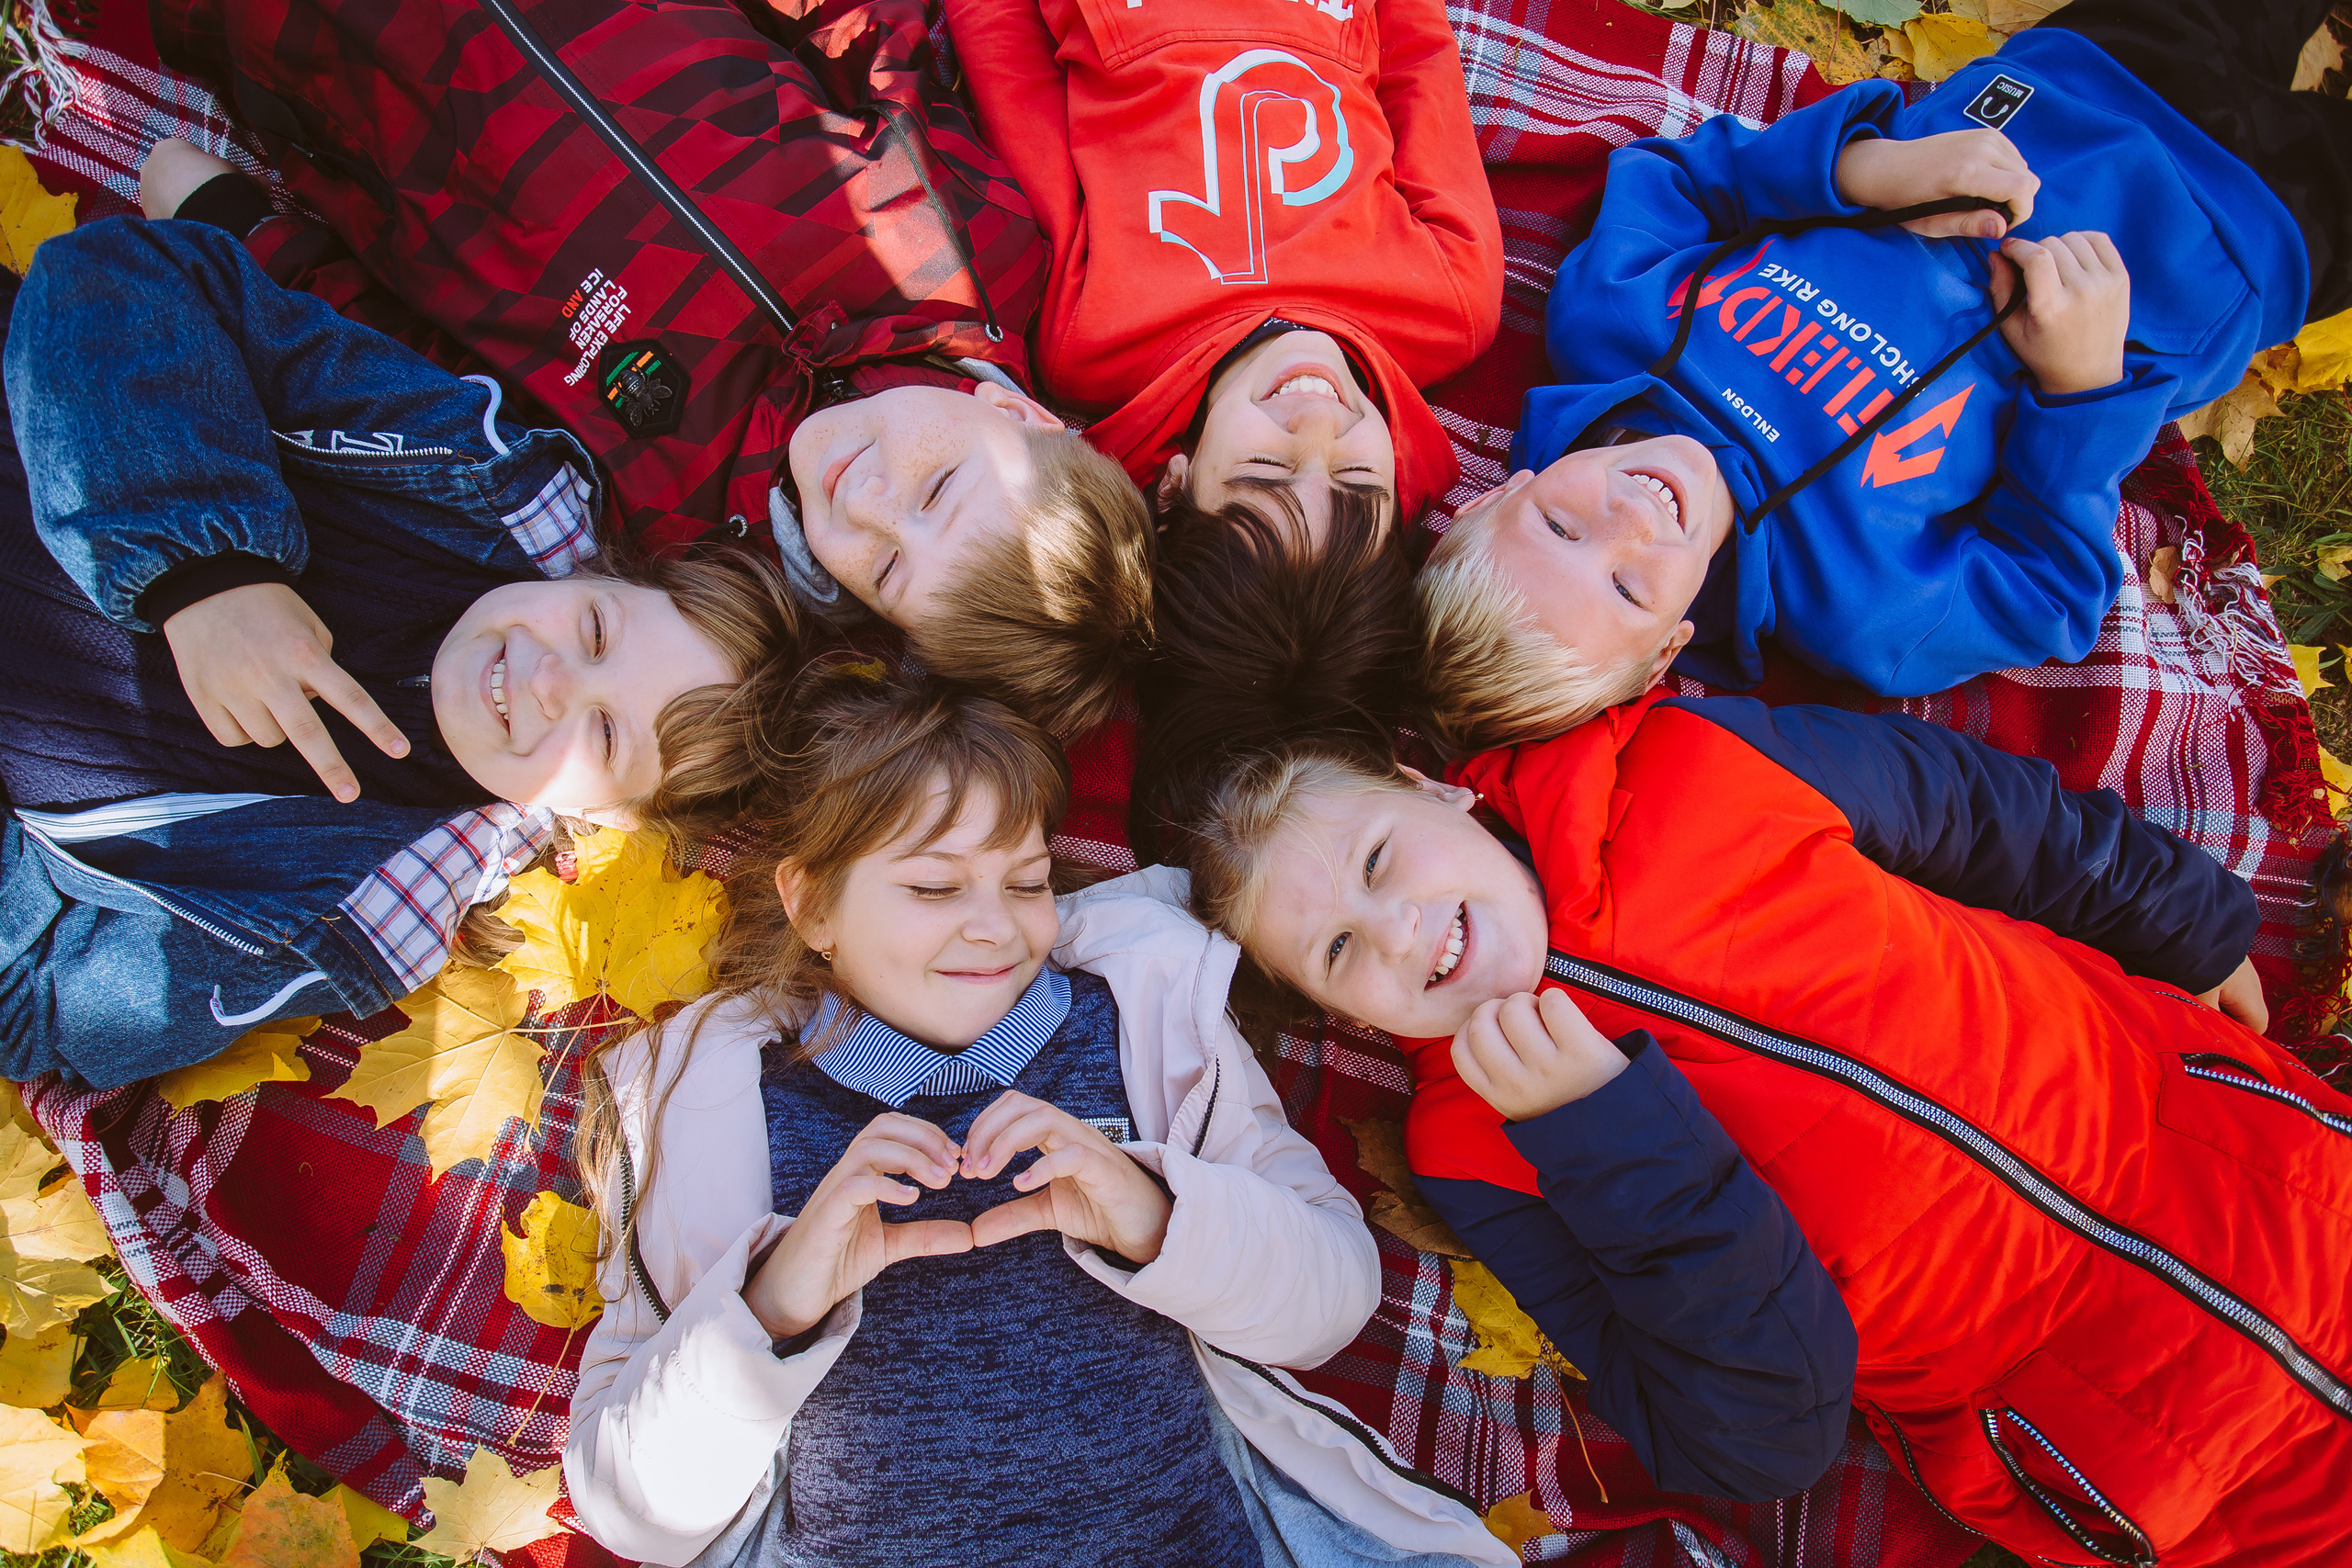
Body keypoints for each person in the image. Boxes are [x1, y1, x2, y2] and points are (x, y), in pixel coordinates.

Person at [1181, 693, 2352, 1564]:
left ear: (1438, 789)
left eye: (1381, 859)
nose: (1395, 933)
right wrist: (1611, 1141)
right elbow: (1753, 1442)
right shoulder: (1475, 1149)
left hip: (2258, 1159)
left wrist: (2188, 921)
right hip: (2139, 1438)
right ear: (1344, 1019)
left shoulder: (1681, 765)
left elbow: (1982, 812)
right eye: (1338, 954)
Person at [563, 666, 1518, 1568]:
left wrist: (1154, 1216)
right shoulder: (705, 1099)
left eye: (1026, 882)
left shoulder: (1143, 1017)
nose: (995, 924)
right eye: (935, 887)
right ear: (812, 904)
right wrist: (772, 1303)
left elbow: (1333, 1302)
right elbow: (630, 1508)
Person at [142, 0, 1153, 741]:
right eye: (939, 487)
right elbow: (872, 44)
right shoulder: (979, 252)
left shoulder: (678, 518)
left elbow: (433, 379)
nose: (873, 501)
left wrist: (240, 231)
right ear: (1022, 418)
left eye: (886, 568)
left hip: (335, 53)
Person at [1414, 0, 2351, 752]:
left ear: (1510, 488)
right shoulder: (1865, 613)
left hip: (2074, 85)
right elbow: (2047, 592)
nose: (1627, 523)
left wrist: (1866, 171)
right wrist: (2080, 385)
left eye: (1560, 525)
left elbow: (1686, 180)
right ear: (1668, 650)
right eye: (1625, 589)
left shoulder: (1606, 327)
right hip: (2218, 248)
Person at [0, 216, 801, 1088]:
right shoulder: (453, 472)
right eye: (597, 630)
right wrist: (207, 570)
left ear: (613, 821)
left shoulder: (350, 908)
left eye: (605, 734)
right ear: (604, 573)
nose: (551, 679)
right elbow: (120, 269)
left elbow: (31, 1009)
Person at [942, 0, 1504, 543]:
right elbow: (1422, 66)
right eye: (1357, 478)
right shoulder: (1451, 306)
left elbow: (1016, 83)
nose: (1317, 427)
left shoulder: (1089, 342)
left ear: (1174, 486)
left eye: (1264, 467)